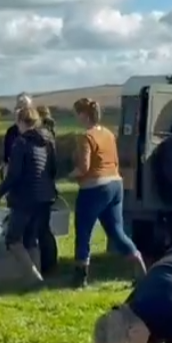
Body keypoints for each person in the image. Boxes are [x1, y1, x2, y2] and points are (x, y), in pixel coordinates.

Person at [70, 97, 146, 286]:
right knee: (116, 231)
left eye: (77, 114)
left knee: (83, 231)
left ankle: (80, 277)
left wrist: (69, 175)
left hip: (95, 187)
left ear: (84, 115)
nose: (77, 118)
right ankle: (140, 267)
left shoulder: (86, 137)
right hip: (115, 184)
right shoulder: (109, 134)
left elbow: (84, 168)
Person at [0, 106, 56, 282]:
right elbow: (53, 169)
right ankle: (35, 277)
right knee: (31, 238)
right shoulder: (48, 140)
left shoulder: (21, 143)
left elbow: (14, 174)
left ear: (20, 122)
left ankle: (34, 277)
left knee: (13, 239)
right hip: (45, 197)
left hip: (25, 197)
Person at [2, 93, 30, 165]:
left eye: (25, 108)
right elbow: (7, 159)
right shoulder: (11, 132)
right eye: (19, 107)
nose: (21, 111)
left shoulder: (37, 131)